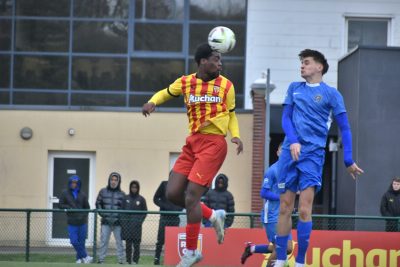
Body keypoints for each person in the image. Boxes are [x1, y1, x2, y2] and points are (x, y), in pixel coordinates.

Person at [142, 43, 243, 267]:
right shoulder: (186, 82)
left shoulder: (226, 85)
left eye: (220, 59)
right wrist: (152, 102)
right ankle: (212, 215)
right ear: (202, 62)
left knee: (191, 197)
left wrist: (235, 135)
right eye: (216, 59)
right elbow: (165, 92)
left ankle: (191, 252)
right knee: (173, 192)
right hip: (193, 142)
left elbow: (232, 114)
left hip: (214, 143)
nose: (220, 63)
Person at [274, 49, 364, 267]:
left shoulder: (332, 94)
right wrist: (293, 140)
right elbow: (285, 119)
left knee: (305, 209)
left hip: (312, 156)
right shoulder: (294, 88)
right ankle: (279, 260)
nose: (302, 66)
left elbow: (345, 128)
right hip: (289, 152)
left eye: (306, 62)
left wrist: (348, 160)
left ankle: (300, 262)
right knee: (285, 206)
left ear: (319, 67)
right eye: (301, 63)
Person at [241, 143, 292, 267]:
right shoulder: (272, 170)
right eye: (282, 150)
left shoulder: (290, 172)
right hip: (272, 216)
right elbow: (263, 192)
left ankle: (252, 249)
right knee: (280, 249)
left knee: (288, 248)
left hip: (284, 216)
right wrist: (281, 198)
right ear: (278, 153)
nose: (285, 153)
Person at [59, 175, 93, 264]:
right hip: (72, 222)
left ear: (78, 184)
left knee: (81, 242)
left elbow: (87, 208)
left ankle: (79, 259)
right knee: (73, 241)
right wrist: (68, 207)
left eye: (76, 183)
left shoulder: (83, 194)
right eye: (72, 182)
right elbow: (60, 205)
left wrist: (83, 215)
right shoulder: (64, 193)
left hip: (82, 222)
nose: (74, 184)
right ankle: (85, 256)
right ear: (69, 183)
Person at [96, 172, 126, 264]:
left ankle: (121, 261)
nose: (113, 182)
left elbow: (124, 208)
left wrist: (119, 218)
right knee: (104, 241)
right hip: (105, 222)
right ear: (109, 180)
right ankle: (101, 260)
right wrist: (103, 214)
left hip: (118, 223)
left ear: (118, 181)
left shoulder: (122, 194)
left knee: (120, 243)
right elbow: (98, 204)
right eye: (112, 179)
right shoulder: (102, 191)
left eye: (115, 180)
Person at [153, 179, 183, 265]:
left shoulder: (180, 186)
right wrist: (164, 206)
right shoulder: (164, 184)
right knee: (160, 240)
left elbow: (183, 201)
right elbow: (155, 198)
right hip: (164, 217)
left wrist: (178, 209)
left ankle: (172, 260)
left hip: (175, 218)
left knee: (173, 240)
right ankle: (156, 259)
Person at [120, 180, 147, 264]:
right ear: (130, 188)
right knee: (128, 245)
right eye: (132, 187)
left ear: (138, 188)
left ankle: (135, 261)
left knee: (136, 245)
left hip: (137, 227)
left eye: (135, 187)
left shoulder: (141, 199)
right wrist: (124, 223)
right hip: (127, 226)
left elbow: (145, 212)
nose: (134, 189)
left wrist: (139, 222)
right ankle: (128, 261)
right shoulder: (125, 198)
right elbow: (121, 211)